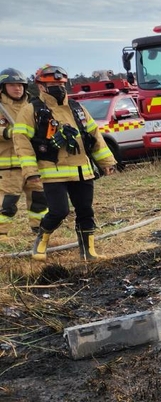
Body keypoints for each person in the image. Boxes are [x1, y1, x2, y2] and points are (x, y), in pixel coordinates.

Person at [12, 64, 117, 261]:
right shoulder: (31, 110)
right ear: (41, 86)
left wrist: (106, 161)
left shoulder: (77, 108)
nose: (58, 87)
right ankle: (41, 240)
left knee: (86, 210)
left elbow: (94, 135)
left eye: (60, 83)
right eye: (52, 84)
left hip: (81, 170)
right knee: (59, 211)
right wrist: (30, 171)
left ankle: (88, 252)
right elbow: (21, 143)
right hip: (52, 171)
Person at [0, 68, 47, 239]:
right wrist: (7, 132)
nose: (17, 88)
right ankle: (2, 236)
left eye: (20, 84)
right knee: (7, 203)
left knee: (39, 198)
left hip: (32, 163)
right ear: (3, 87)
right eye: (12, 85)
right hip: (8, 165)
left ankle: (41, 232)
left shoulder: (33, 105)